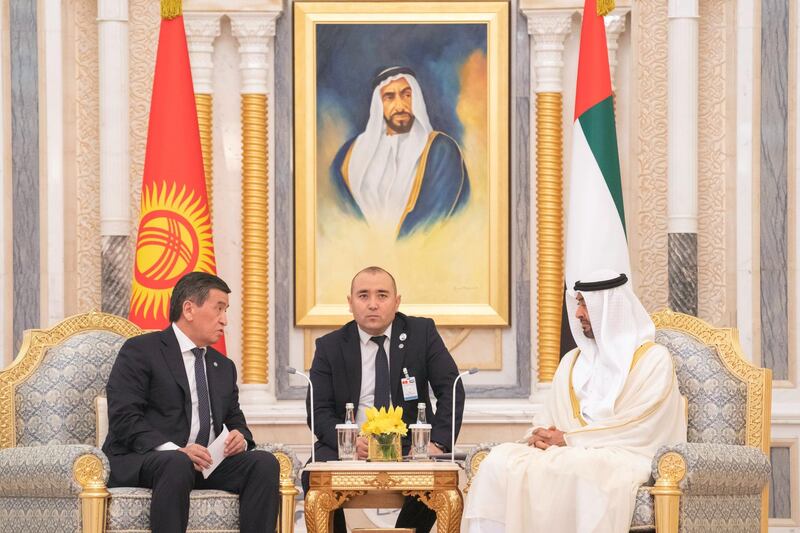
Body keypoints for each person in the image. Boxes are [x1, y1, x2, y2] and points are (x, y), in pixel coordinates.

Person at [464, 270, 687, 533]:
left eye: (585, 304)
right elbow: (550, 417)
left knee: (579, 468)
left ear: (610, 308)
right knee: (499, 460)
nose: (578, 313)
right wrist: (541, 436)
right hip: (569, 451)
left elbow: (640, 426)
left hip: (628, 454)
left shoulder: (652, 360)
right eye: (579, 303)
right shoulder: (572, 362)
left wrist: (568, 439)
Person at [103, 272, 280, 533]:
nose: (225, 320)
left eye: (226, 310)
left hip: (205, 463)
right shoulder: (141, 350)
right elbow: (124, 418)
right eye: (218, 309)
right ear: (189, 309)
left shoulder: (223, 366)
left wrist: (240, 438)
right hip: (147, 459)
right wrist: (176, 450)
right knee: (177, 463)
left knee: (265, 463)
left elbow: (235, 421)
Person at [304, 266, 465, 533]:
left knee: (436, 474)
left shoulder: (421, 333)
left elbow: (452, 388)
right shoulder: (330, 346)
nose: (373, 304)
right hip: (350, 445)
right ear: (350, 303)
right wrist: (350, 442)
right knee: (314, 477)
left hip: (410, 444)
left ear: (397, 301)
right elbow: (318, 410)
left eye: (382, 295)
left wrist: (436, 441)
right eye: (363, 296)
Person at [330, 66, 471, 239]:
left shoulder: (440, 150)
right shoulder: (349, 155)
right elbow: (340, 212)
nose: (400, 105)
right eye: (389, 97)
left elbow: (433, 220)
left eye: (406, 95)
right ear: (378, 105)